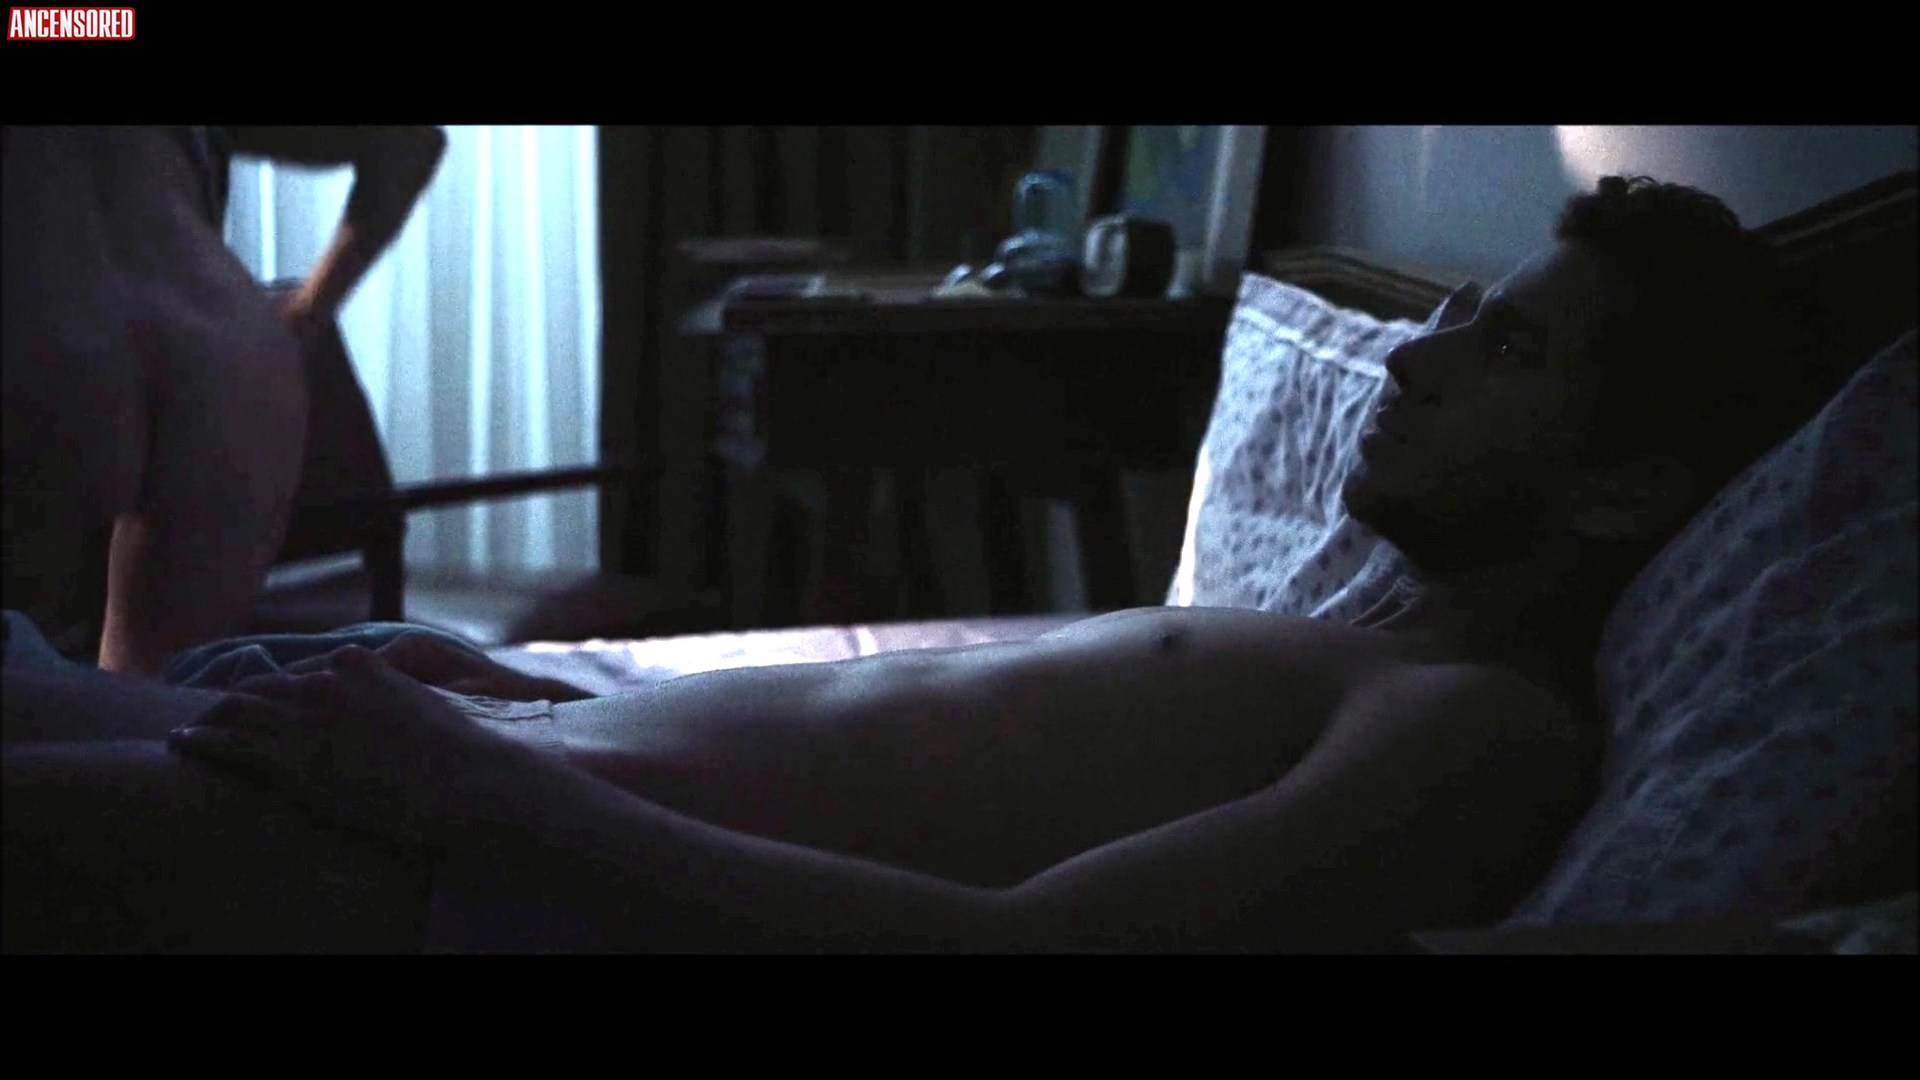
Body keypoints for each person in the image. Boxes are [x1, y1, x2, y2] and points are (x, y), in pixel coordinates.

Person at [4, 177, 1808, 952]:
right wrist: (512, 701)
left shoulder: (1486, 733)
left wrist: (489, 793)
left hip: (469, 863)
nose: (1415, 356)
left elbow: (1022, 948)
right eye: (1461, 315)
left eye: (1509, 351)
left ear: (1619, 496)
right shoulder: (1350, 634)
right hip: (454, 760)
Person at [0, 125, 444, 677]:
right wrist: (305, 315)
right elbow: (408, 143)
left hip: (37, 327)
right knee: (163, 707)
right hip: (223, 347)